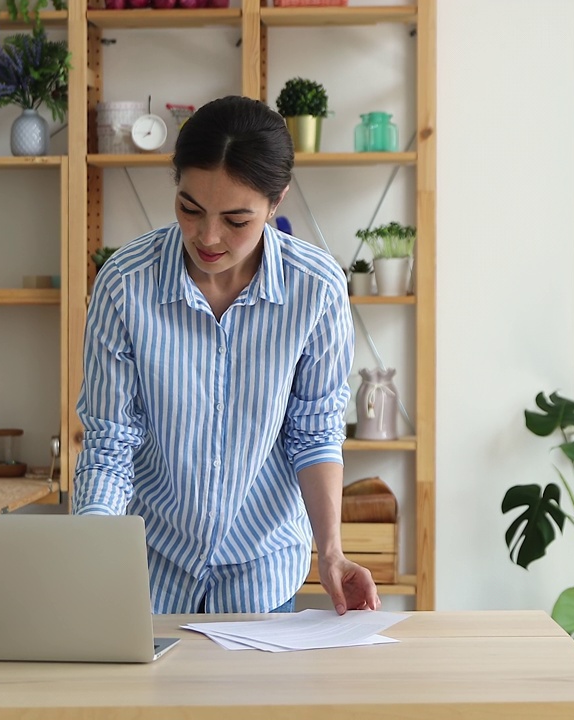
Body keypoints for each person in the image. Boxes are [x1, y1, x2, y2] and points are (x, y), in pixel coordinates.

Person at [73, 95, 380, 616]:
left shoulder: (317, 288)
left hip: (263, 568)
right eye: (190, 209)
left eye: (236, 220)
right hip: (150, 566)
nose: (208, 237)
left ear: (276, 201)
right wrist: (93, 553)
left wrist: (331, 552)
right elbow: (110, 444)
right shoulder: (124, 286)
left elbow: (314, 433)